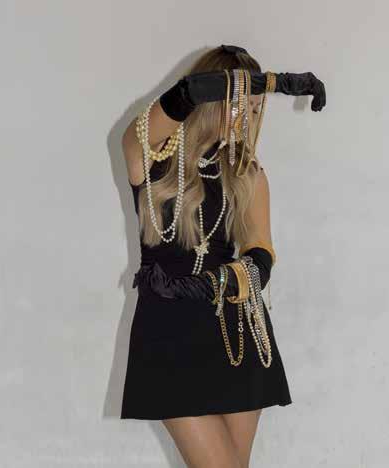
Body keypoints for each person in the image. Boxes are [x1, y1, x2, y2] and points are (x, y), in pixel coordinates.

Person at [120, 44, 325, 467]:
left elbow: (261, 250)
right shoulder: (150, 155)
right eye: (239, 105)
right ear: (211, 100)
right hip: (168, 332)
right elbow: (182, 96)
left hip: (235, 328)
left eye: (256, 109)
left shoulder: (246, 172)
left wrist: (235, 276)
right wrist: (277, 82)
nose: (247, 118)